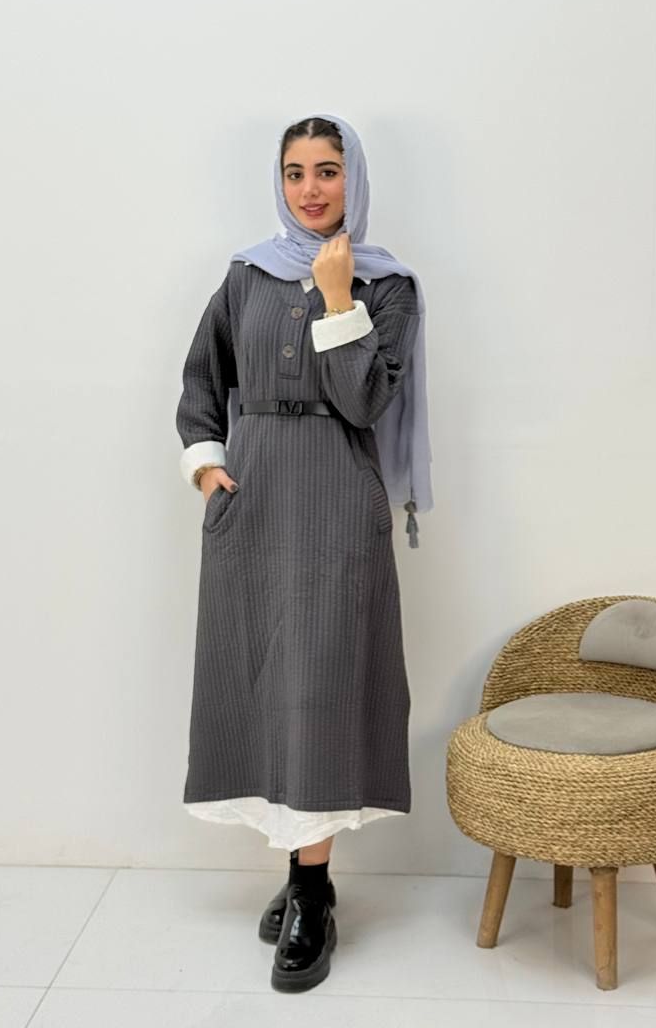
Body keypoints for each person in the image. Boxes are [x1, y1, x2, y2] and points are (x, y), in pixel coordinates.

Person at [175, 112, 433, 993]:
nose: (311, 189)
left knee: (319, 688)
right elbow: (204, 377)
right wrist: (206, 466)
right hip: (252, 502)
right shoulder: (246, 275)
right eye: (295, 172)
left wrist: (336, 298)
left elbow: (363, 403)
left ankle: (313, 892)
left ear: (353, 178)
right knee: (257, 682)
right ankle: (299, 877)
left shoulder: (386, 287)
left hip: (334, 501)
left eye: (328, 170)